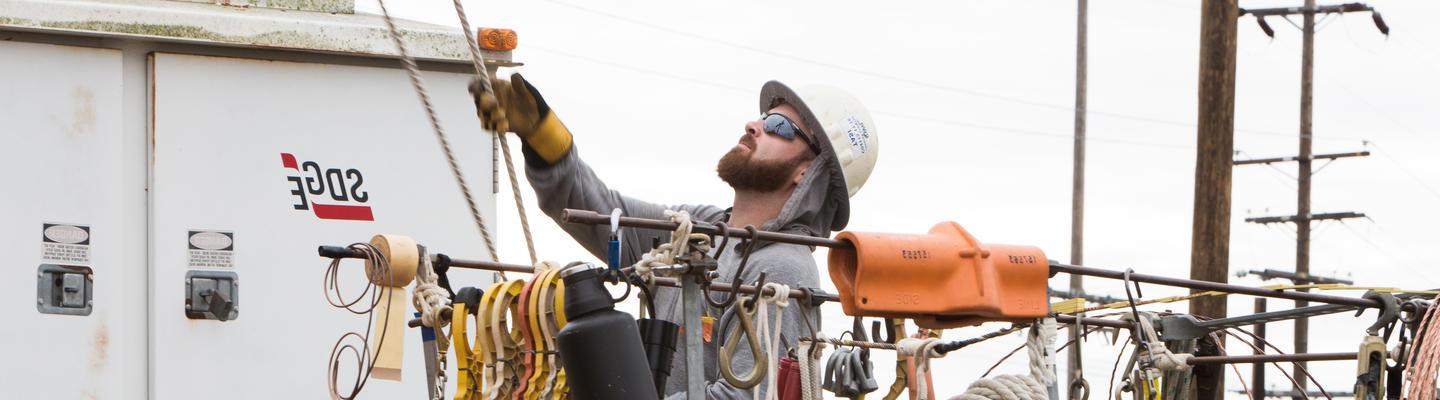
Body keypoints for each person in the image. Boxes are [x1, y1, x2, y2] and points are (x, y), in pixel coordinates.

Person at [472, 73, 879, 399]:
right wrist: (545, 138)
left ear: (807, 173)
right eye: (763, 115)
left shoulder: (782, 266)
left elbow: (750, 394)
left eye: (777, 125)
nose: (753, 124)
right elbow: (601, 214)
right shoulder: (700, 231)